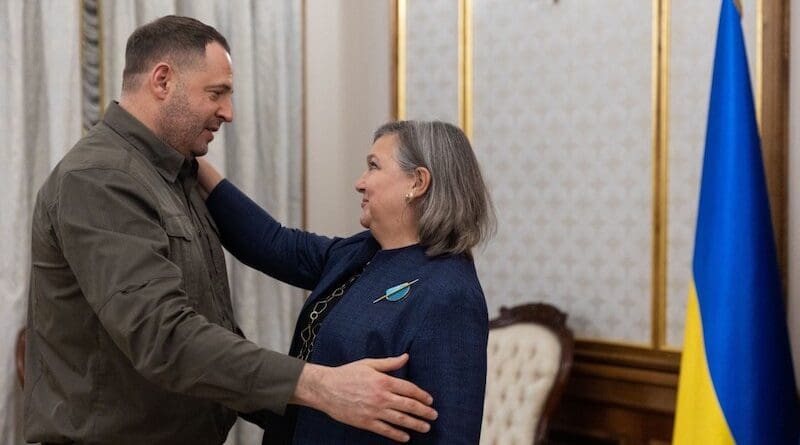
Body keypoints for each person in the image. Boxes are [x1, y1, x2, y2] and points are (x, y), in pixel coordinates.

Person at [24, 15, 436, 445]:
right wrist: (321, 388)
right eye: (216, 93)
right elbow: (164, 336)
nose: (229, 113)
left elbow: (216, 318)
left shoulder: (173, 172)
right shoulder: (101, 178)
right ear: (162, 81)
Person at [198, 119, 495, 443]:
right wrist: (194, 164)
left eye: (373, 167)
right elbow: (273, 244)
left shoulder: (450, 292)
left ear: (417, 182)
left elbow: (452, 436)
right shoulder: (360, 250)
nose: (360, 182)